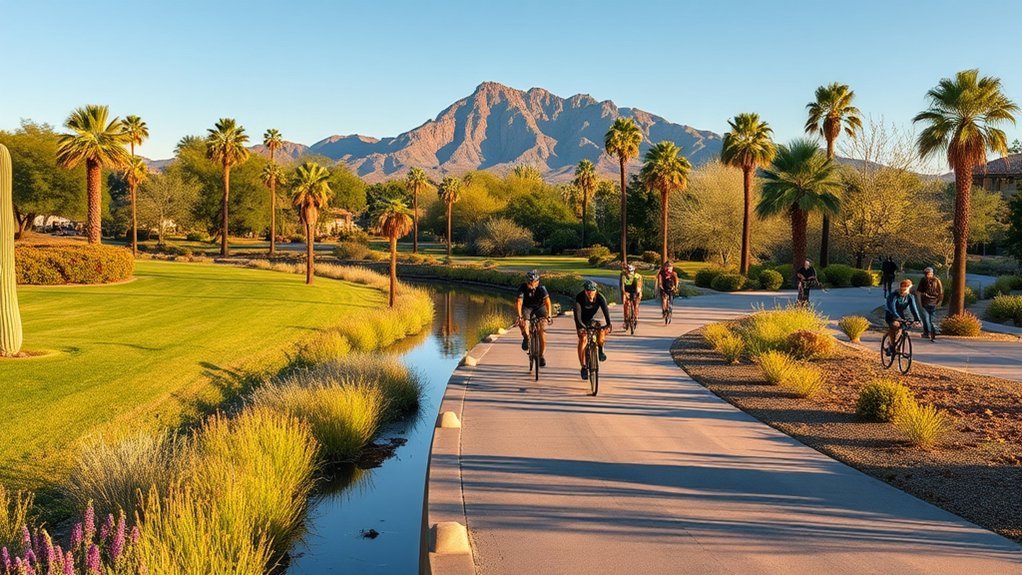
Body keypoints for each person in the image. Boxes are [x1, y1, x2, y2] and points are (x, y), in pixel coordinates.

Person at [574, 280, 613, 380]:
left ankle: (600, 349)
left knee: (601, 332)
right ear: (585, 291)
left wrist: (608, 324)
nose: (590, 293)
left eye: (592, 291)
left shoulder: (600, 297)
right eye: (588, 291)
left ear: (596, 291)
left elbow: (605, 311)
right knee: (583, 339)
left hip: (597, 316)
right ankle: (583, 366)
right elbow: (577, 315)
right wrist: (581, 327)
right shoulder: (579, 297)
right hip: (583, 318)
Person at [516, 270, 553, 367]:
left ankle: (541, 356)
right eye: (529, 283)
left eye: (534, 283)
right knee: (524, 322)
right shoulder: (522, 287)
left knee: (542, 332)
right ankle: (526, 337)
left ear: (537, 282)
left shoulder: (541, 288)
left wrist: (549, 315)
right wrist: (520, 316)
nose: (532, 285)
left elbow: (548, 302)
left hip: (539, 307)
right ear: (527, 282)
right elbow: (519, 302)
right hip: (527, 307)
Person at [885, 279, 921, 355]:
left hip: (902, 315)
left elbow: (914, 309)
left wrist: (917, 319)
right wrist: (897, 317)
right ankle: (891, 346)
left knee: (903, 327)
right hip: (891, 315)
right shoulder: (894, 295)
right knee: (895, 325)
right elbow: (892, 308)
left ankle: (898, 346)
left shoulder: (910, 297)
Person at [916, 267, 943, 341]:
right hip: (934, 302)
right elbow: (941, 292)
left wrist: (919, 302)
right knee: (931, 319)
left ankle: (928, 333)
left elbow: (919, 292)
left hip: (925, 301)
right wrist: (939, 302)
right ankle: (932, 332)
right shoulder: (937, 280)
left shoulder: (923, 280)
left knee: (926, 319)